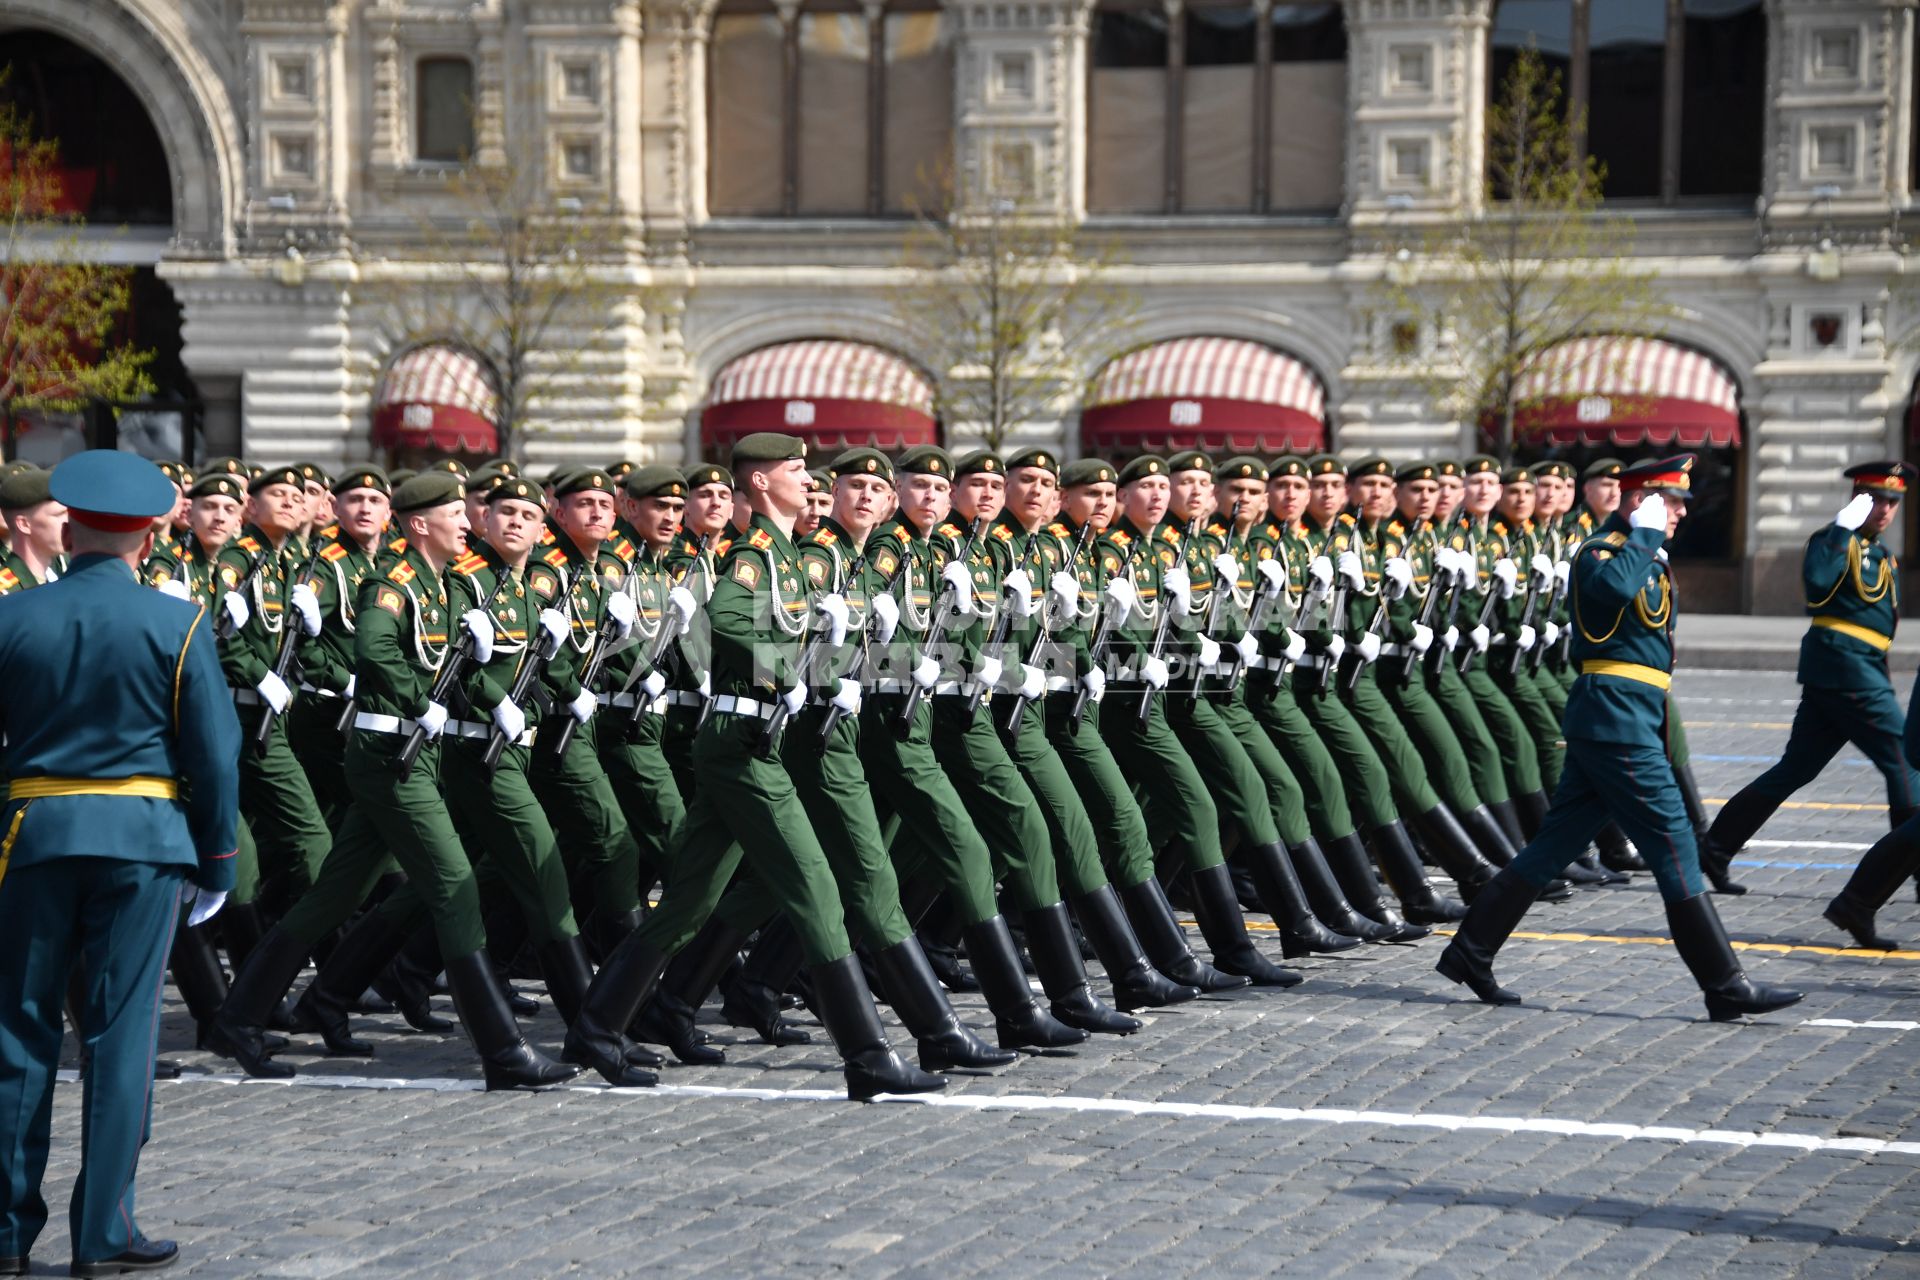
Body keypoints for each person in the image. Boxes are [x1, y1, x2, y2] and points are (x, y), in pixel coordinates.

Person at [1435, 455, 1804, 1022]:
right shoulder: (1602, 553)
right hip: (1617, 721)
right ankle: (1726, 985)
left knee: (1552, 848)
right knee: (1676, 847)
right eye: (1670, 501)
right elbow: (1609, 593)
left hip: (1626, 716)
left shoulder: (1644, 554)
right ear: (1641, 502)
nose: (1681, 511)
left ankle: (1470, 950)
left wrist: (1649, 539)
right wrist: (1646, 533)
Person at [0, 450, 241, 1277]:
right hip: (142, 841)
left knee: (19, 1032)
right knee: (118, 1037)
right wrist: (217, 858)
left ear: (69, 527)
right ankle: (101, 1231)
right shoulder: (175, 623)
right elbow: (212, 754)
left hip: (31, 835)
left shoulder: (12, 618)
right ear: (146, 536)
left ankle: (4, 1233)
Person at [1699, 461, 1920, 894]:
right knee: (1905, 761)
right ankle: (1911, 870)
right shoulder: (1833, 541)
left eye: (1893, 502)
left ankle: (1717, 846)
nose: (1885, 510)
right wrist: (1841, 530)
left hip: (1855, 668)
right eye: (1876, 499)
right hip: (1844, 668)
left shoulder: (1882, 554)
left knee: (1795, 768)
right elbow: (1817, 585)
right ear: (1858, 499)